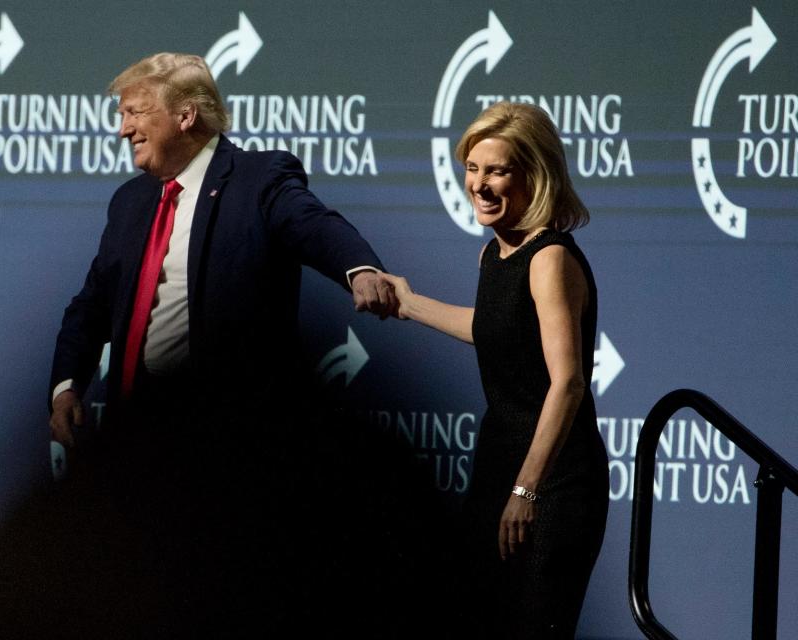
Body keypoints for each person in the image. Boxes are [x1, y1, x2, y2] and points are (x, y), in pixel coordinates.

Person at [45, 52, 396, 635]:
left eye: (135, 112)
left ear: (186, 116)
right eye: (121, 113)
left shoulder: (259, 179)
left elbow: (315, 226)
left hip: (229, 452)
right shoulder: (131, 201)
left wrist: (359, 269)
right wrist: (66, 385)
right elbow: (92, 304)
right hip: (136, 438)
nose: (122, 127)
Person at [380, 102, 609, 638]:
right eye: (473, 168)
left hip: (552, 481)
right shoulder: (493, 254)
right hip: (497, 469)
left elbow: (568, 381)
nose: (479, 185)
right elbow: (492, 327)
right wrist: (409, 304)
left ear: (534, 175)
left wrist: (526, 491)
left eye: (497, 170)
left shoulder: (550, 258)